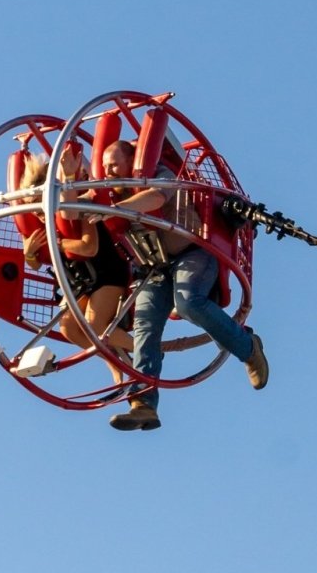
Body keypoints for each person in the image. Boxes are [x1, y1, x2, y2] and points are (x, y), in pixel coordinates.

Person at [99, 139, 268, 431]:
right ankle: (143, 404)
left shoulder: (158, 174)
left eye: (113, 164)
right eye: (104, 167)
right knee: (145, 329)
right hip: (153, 267)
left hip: (193, 253)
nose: (108, 171)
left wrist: (115, 209)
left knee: (188, 302)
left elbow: (157, 197)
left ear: (131, 161)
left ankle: (248, 347)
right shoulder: (108, 195)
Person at [19, 147, 134, 386]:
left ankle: (144, 348)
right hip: (83, 284)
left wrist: (57, 242)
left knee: (95, 326)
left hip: (108, 274)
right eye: (32, 207)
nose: (38, 213)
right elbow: (36, 265)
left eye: (39, 204)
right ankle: (114, 361)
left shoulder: (76, 209)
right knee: (69, 327)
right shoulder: (39, 227)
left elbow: (88, 247)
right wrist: (29, 253)